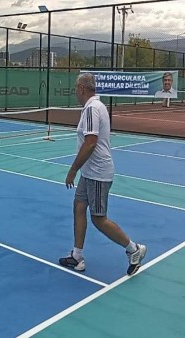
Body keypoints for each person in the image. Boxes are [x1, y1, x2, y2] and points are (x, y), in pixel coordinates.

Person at [59, 73, 147, 276]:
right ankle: (77, 255)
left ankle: (133, 249)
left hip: (98, 173)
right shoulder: (95, 106)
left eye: (76, 88)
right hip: (89, 172)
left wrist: (72, 170)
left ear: (81, 88)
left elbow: (90, 142)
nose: (75, 92)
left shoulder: (92, 108)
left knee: (99, 218)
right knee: (79, 206)